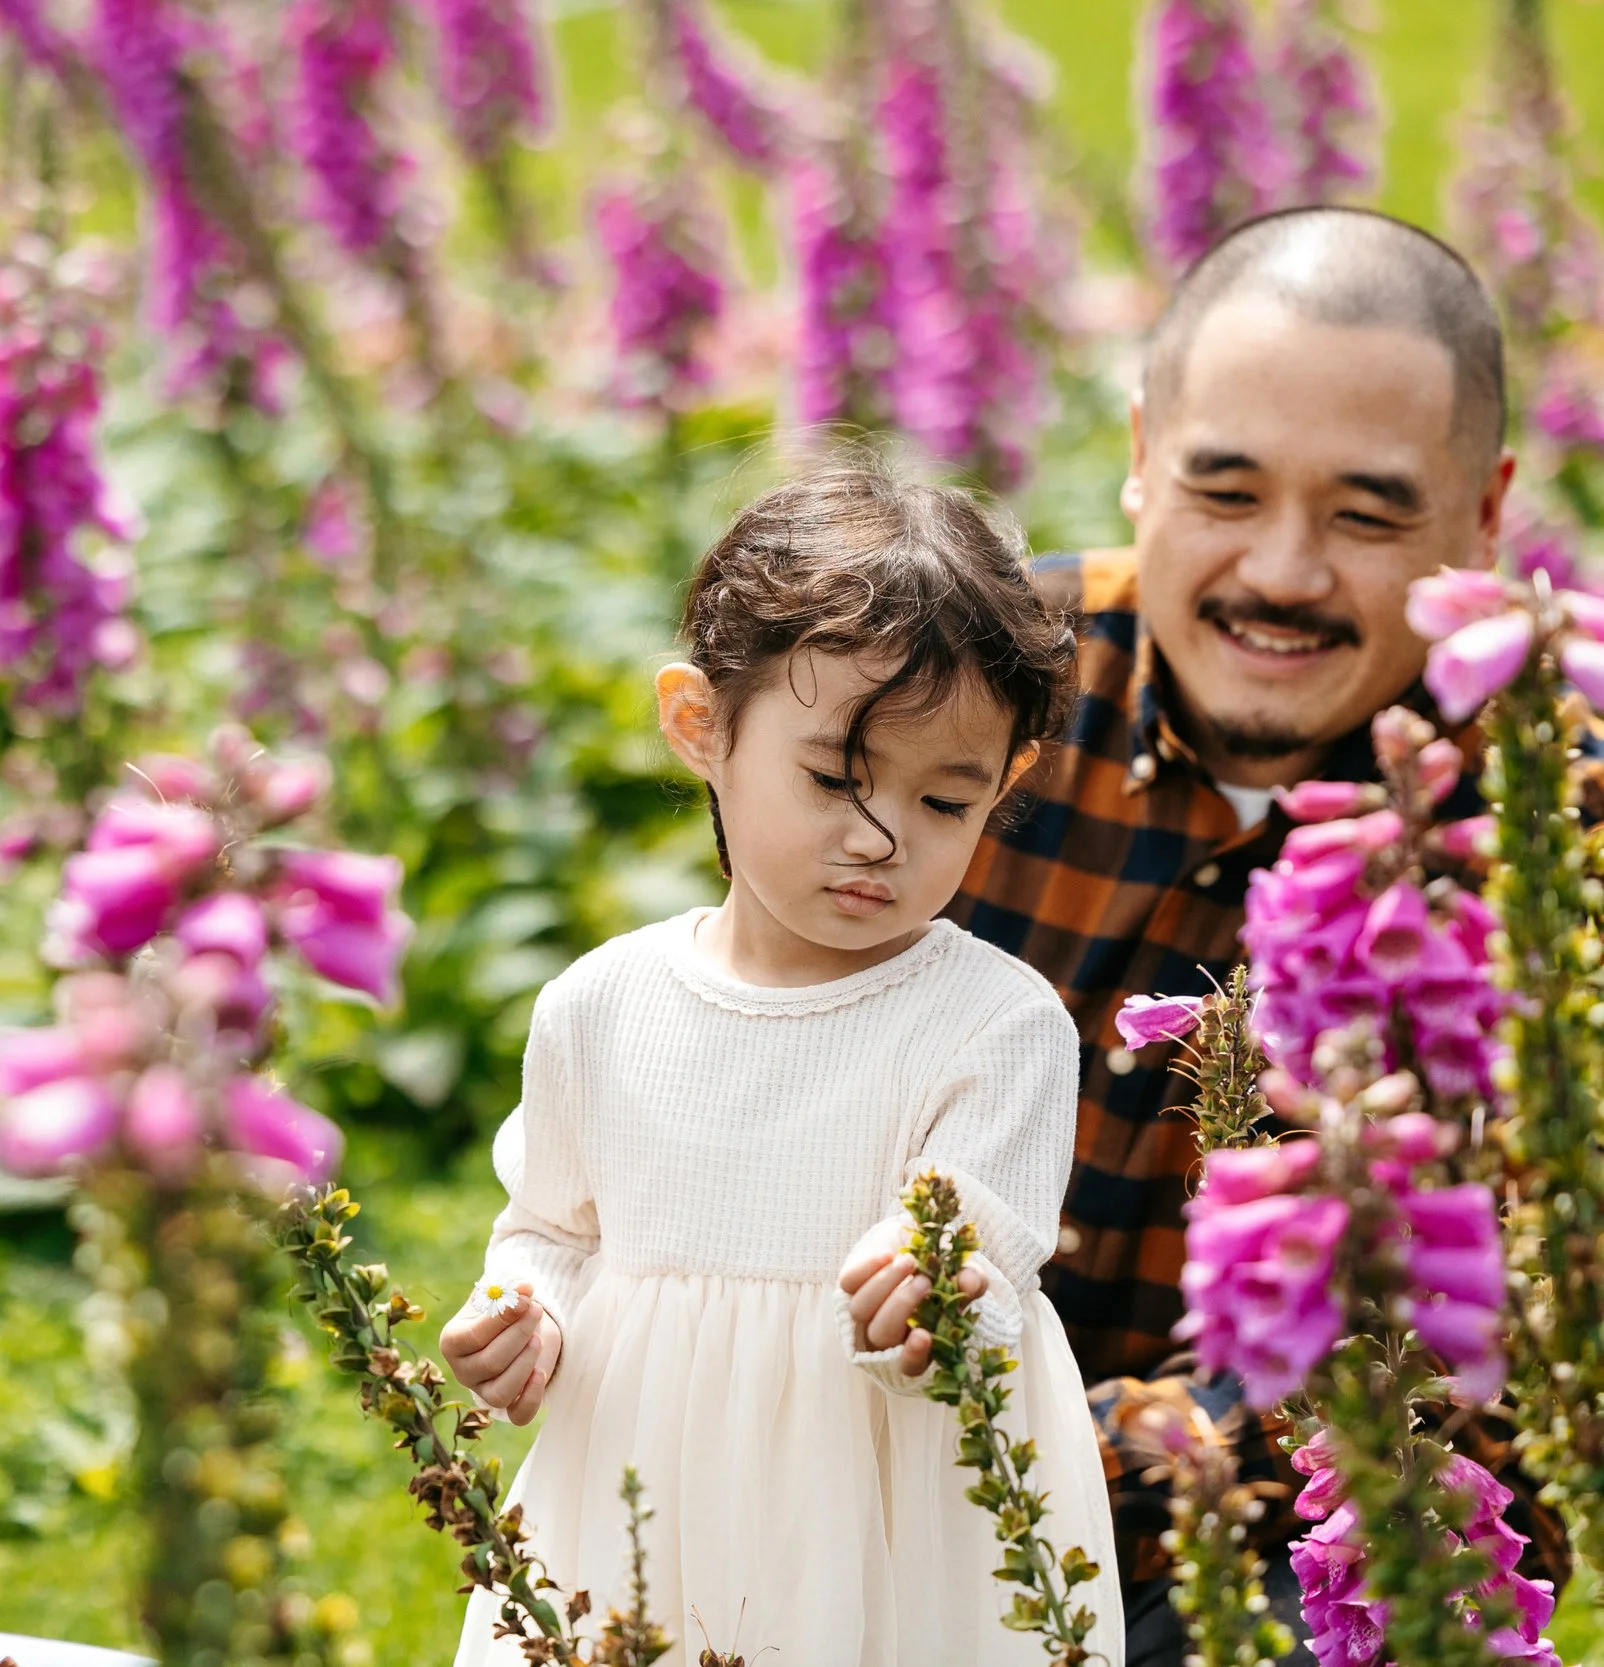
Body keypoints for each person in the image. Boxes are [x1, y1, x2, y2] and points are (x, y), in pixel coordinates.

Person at [943, 205, 1561, 1664]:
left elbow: (1471, 1379)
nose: (1282, 572)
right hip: (889, 1466)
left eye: (1366, 514)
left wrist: (1029, 1476)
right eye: (1224, 489)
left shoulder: (1557, 833)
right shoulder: (962, 699)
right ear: (1144, 452)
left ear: (1486, 517)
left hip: (1310, 1554)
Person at [439, 461, 1121, 1666]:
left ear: (1004, 783)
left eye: (942, 800)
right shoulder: (599, 1007)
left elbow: (982, 1252)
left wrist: (937, 1282)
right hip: (638, 1496)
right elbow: (553, 1222)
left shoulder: (992, 1024)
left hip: (892, 1519)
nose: (878, 836)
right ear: (701, 723)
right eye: (832, 778)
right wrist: (527, 1303)